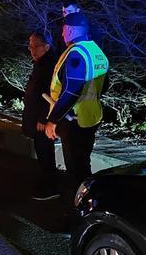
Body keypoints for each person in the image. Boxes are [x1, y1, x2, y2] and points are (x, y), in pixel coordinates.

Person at [44, 12, 109, 199]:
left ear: (70, 30)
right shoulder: (97, 52)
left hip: (74, 121)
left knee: (75, 172)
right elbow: (103, 86)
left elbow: (70, 92)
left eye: (64, 31)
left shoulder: (76, 54)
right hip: (91, 117)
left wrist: (52, 120)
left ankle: (78, 214)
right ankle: (89, 206)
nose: (62, 35)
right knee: (83, 166)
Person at [21, 32, 60, 199]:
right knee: (41, 151)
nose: (32, 50)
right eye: (30, 46)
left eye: (36, 46)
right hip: (36, 116)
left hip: (42, 120)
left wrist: (44, 118)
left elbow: (51, 93)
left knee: (45, 152)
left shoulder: (49, 65)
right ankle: (46, 182)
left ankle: (51, 187)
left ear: (46, 46)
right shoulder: (40, 64)